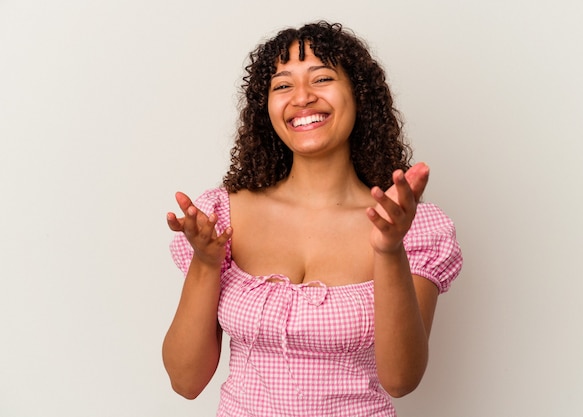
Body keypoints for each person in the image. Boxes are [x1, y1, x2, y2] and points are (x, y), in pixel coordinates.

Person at [162, 21, 463, 417]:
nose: (301, 97)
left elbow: (401, 380)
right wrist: (205, 264)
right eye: (283, 85)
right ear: (264, 109)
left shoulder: (410, 227)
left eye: (321, 78)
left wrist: (389, 250)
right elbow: (186, 382)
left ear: (359, 97)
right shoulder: (222, 215)